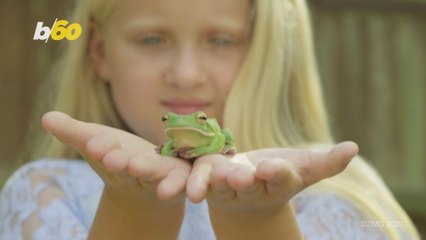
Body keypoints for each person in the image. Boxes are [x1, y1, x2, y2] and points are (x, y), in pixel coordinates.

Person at [0, 0, 420, 239]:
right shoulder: (44, 190)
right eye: (152, 39)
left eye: (220, 40)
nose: (185, 74)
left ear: (268, 48)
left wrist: (257, 217)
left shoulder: (340, 197)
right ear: (98, 51)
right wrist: (134, 206)